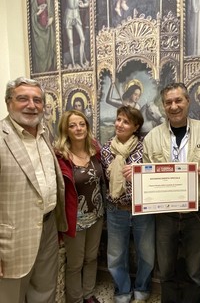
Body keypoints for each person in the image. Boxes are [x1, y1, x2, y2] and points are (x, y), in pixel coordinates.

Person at [143, 82, 200, 303]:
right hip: (164, 215)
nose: (174, 106)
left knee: (195, 271)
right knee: (165, 270)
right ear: (163, 105)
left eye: (178, 100)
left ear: (188, 102)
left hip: (197, 210)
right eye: (168, 102)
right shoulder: (151, 137)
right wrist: (137, 178)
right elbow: (147, 177)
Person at [0, 77, 67, 302]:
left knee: (44, 292)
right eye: (23, 99)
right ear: (9, 102)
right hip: (12, 239)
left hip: (47, 227)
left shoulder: (44, 133)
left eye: (37, 100)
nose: (32, 105)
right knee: (11, 297)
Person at [101, 106, 154, 303]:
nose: (119, 124)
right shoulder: (106, 149)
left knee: (147, 253)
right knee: (116, 255)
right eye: (118, 120)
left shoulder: (145, 147)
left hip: (142, 209)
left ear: (135, 126)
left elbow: (156, 172)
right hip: (116, 210)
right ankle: (122, 290)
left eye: (125, 121)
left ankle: (142, 286)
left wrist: (141, 171)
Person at [54, 110, 105, 303]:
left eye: (82, 124)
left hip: (97, 214)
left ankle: (88, 294)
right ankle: (75, 299)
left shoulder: (94, 150)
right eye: (73, 125)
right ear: (65, 129)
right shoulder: (60, 157)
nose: (78, 129)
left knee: (91, 257)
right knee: (75, 263)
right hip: (74, 218)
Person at [60, 0, 89, 68]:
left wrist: (83, 5)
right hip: (68, 15)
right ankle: (73, 63)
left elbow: (87, 1)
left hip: (76, 15)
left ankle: (81, 61)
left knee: (82, 39)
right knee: (71, 41)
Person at [31, 0, 56, 73]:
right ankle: (42, 72)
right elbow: (32, 16)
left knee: (49, 51)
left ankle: (51, 70)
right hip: (38, 31)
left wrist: (51, 19)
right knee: (41, 52)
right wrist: (39, 12)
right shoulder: (34, 1)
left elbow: (52, 12)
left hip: (48, 30)